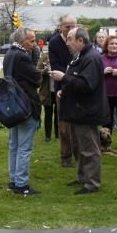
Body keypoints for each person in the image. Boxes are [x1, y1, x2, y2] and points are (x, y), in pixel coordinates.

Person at [52, 27, 109, 194]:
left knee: (89, 148)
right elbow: (77, 80)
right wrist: (66, 89)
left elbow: (86, 84)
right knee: (79, 147)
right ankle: (83, 178)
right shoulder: (80, 56)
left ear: (80, 41)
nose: (67, 42)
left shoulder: (91, 58)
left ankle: (91, 183)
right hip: (77, 111)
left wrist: (63, 78)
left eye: (70, 39)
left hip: (86, 112)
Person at [3, 27, 42, 195]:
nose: (34, 44)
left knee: (14, 145)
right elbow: (37, 78)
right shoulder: (21, 57)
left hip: (13, 106)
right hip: (25, 106)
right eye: (31, 40)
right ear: (21, 40)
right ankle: (21, 184)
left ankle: (14, 180)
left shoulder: (9, 54)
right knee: (24, 147)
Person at [48, 14, 77, 166]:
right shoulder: (54, 42)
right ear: (61, 27)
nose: (71, 29)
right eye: (68, 26)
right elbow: (55, 65)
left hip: (79, 86)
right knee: (64, 125)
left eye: (74, 26)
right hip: (63, 88)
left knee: (79, 124)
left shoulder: (80, 40)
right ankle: (65, 157)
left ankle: (80, 154)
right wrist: (69, 77)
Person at [37, 41, 57, 142]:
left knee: (58, 113)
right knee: (48, 113)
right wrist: (44, 71)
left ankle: (58, 135)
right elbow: (37, 71)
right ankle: (47, 136)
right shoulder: (44, 56)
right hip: (47, 90)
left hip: (58, 90)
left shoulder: (60, 56)